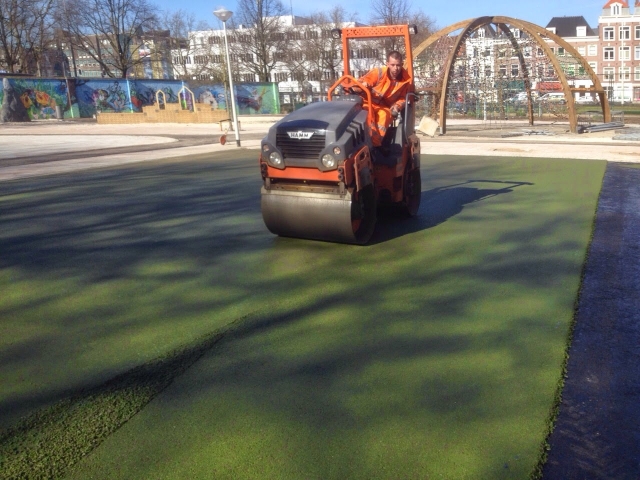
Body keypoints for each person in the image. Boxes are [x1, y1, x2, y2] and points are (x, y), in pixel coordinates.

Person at [345, 50, 412, 148]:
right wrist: (362, 86)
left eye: (398, 65)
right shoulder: (379, 72)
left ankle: (375, 146)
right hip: (367, 102)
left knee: (384, 115)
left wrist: (397, 106)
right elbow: (360, 83)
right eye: (392, 65)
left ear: (401, 64)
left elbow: (403, 98)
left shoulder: (405, 80)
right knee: (368, 114)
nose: (395, 68)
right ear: (387, 64)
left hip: (383, 107)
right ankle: (363, 144)